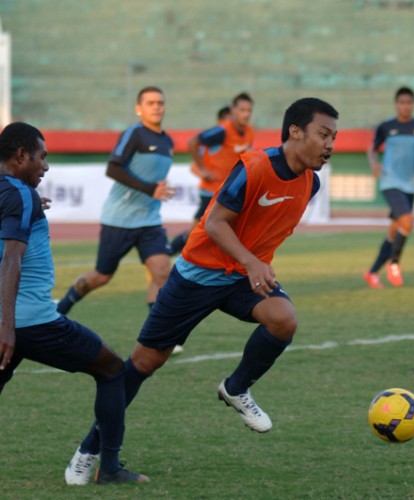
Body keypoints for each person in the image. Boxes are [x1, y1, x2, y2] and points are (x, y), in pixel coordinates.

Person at [65, 97, 339, 483]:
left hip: (241, 277)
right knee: (143, 364)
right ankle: (92, 451)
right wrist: (251, 261)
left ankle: (235, 387)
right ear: (295, 132)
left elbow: (265, 229)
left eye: (334, 137)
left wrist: (255, 262)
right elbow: (214, 224)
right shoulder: (254, 167)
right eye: (323, 135)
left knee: (283, 320)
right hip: (198, 275)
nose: (330, 145)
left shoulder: (311, 184)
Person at [0, 122, 148, 485]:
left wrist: (33, 204)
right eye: (42, 157)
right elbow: (11, 261)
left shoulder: (16, 195)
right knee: (113, 369)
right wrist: (7, 327)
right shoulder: (20, 196)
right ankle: (109, 469)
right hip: (30, 322)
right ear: (21, 156)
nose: (46, 166)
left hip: (10, 321)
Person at [57, 86, 175, 316]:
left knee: (162, 273)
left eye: (160, 102)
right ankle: (60, 309)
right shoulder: (135, 133)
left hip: (149, 220)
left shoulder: (168, 142)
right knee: (102, 275)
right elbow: (113, 168)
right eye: (150, 103)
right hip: (120, 219)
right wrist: (151, 188)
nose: (157, 107)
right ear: (138, 109)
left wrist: (157, 189)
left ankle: (155, 335)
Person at [168, 94, 254, 255]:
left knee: (230, 232)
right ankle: (168, 253)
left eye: (249, 110)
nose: (246, 114)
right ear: (233, 111)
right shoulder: (221, 131)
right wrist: (203, 169)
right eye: (242, 110)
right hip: (211, 191)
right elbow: (193, 142)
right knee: (197, 234)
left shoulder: (249, 132)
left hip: (229, 190)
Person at [364, 87, 414, 288]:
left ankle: (372, 272)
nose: (405, 106)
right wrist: (374, 163)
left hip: (410, 184)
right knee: (407, 221)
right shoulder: (386, 127)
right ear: (396, 104)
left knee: (395, 231)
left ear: (413, 104)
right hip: (390, 182)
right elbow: (372, 149)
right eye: (402, 102)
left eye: (409, 102)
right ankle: (395, 263)